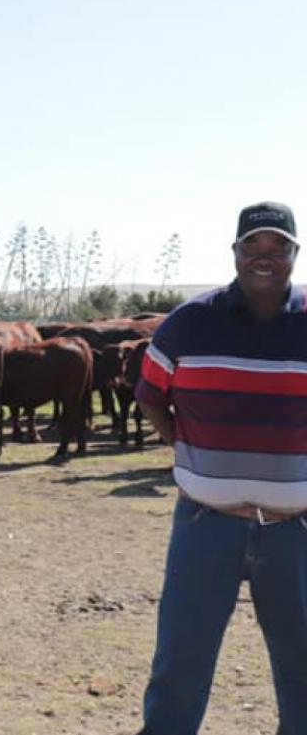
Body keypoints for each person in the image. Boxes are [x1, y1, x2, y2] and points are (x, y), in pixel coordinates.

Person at [134, 201, 307, 735]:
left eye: (277, 247)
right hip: (205, 522)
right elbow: (150, 396)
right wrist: (188, 450)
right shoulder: (189, 323)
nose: (264, 257)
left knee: (302, 666)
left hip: (294, 530)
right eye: (253, 246)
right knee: (181, 662)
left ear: (294, 255)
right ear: (235, 252)